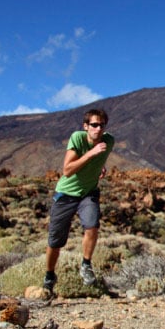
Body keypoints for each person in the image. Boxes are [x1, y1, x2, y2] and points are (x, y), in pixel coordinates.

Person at [44, 108, 114, 296]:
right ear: (86, 126)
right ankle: (49, 276)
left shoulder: (109, 141)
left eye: (101, 125)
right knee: (55, 241)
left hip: (88, 193)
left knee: (92, 225)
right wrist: (91, 154)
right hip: (65, 194)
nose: (98, 129)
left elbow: (99, 160)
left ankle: (86, 265)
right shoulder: (77, 138)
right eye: (94, 125)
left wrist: (100, 166)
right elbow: (67, 170)